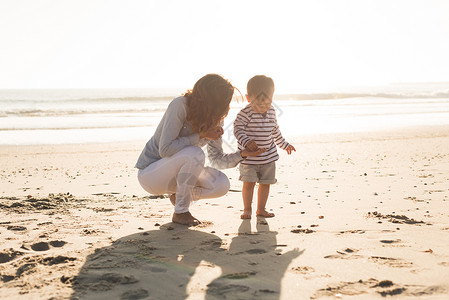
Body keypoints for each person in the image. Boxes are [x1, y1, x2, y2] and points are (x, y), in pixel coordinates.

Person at [136, 74, 264, 226]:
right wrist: (200, 135)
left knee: (221, 184)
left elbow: (216, 160)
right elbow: (165, 149)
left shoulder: (215, 118)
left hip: (179, 177)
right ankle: (181, 212)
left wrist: (242, 154)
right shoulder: (180, 105)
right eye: (223, 102)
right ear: (210, 99)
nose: (226, 108)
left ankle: (179, 198)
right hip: (151, 174)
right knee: (194, 153)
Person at [234, 75, 296, 219]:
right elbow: (237, 129)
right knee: (248, 184)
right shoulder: (245, 113)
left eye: (267, 103)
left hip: (268, 158)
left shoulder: (272, 111)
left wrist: (285, 144)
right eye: (258, 103)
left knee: (265, 184)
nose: (263, 107)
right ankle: (247, 209)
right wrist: (247, 141)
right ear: (248, 98)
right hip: (249, 159)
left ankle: (261, 209)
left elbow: (275, 131)